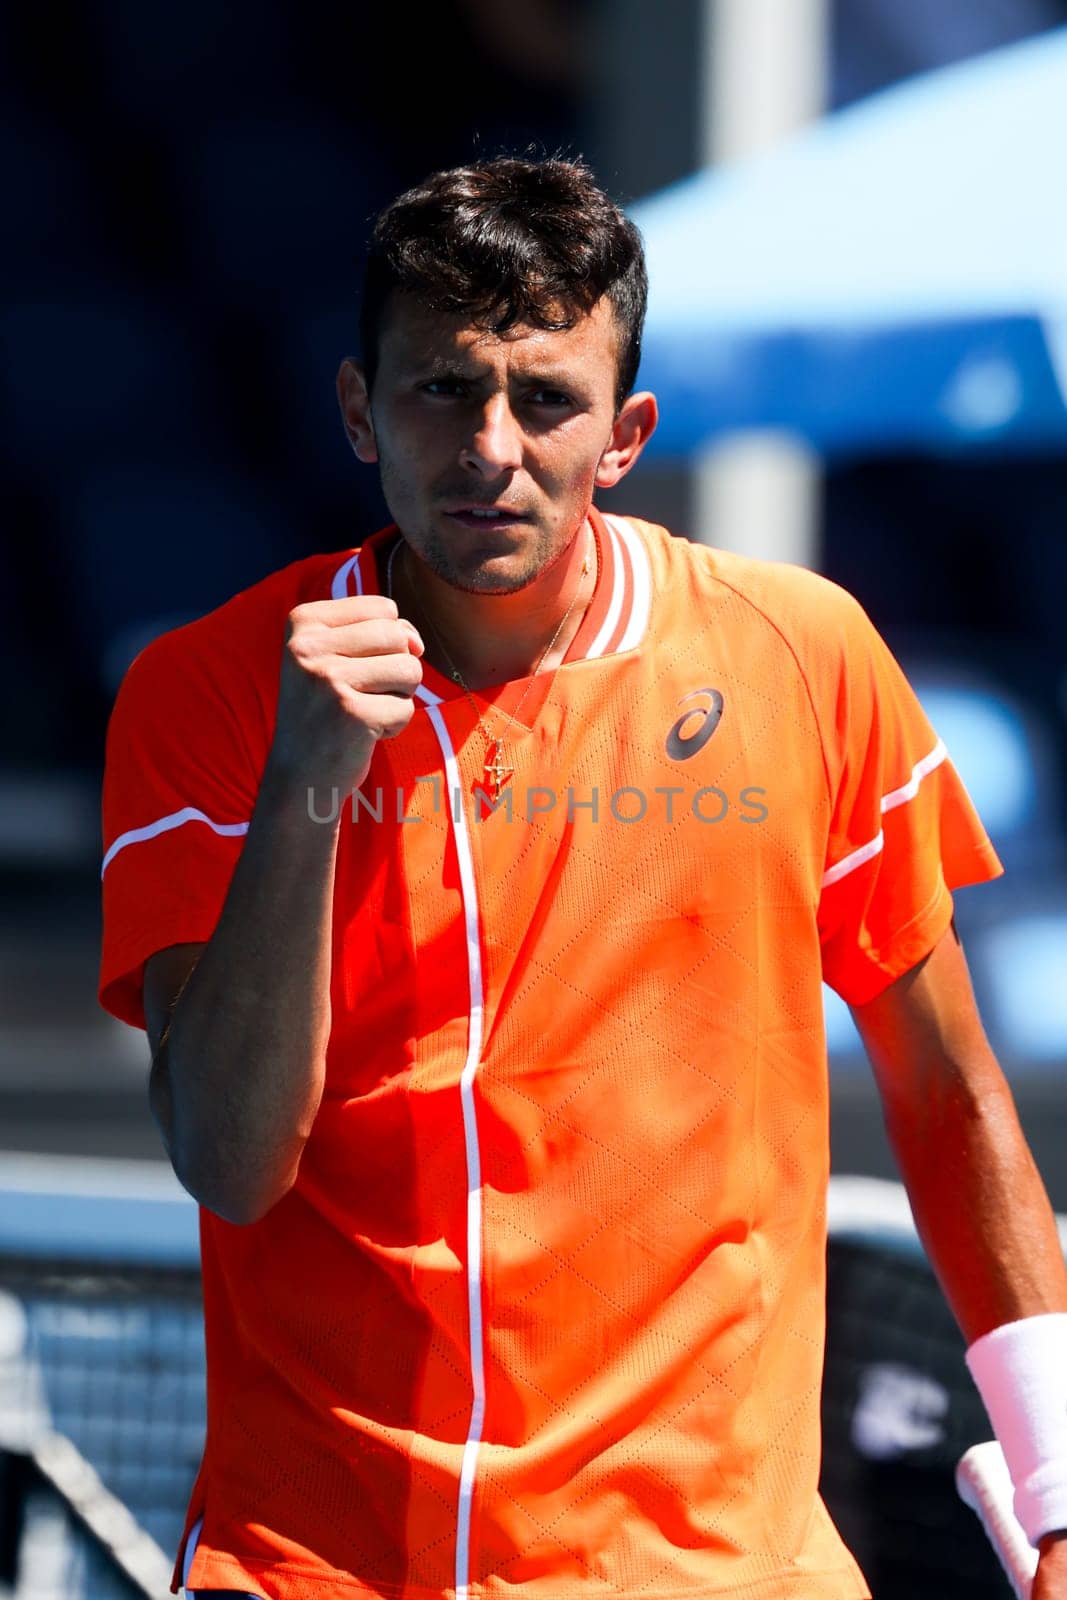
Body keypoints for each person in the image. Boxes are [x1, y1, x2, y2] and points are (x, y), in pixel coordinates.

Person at [99, 155, 1067, 1600]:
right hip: (315, 1570)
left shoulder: (807, 652)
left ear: (625, 433)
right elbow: (232, 1163)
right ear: (360, 409)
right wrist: (310, 781)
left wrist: (1056, 1491)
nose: (491, 445)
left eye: (545, 398)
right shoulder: (212, 692)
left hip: (723, 1572)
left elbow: (949, 1089)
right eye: (441, 388)